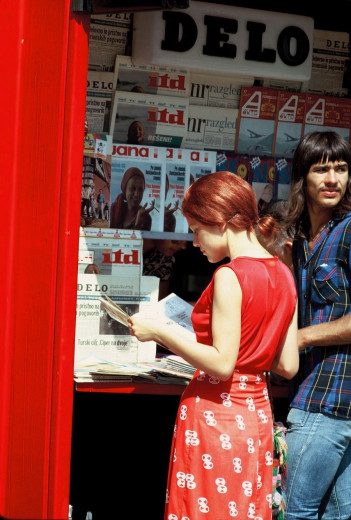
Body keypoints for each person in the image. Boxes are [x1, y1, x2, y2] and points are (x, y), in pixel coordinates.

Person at [128, 170, 299, 520]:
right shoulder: (284, 273)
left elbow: (222, 364)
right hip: (256, 418)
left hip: (216, 417)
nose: (193, 242)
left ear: (219, 220)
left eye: (196, 229)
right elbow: (288, 366)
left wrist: (160, 333)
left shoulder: (229, 275)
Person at [283, 130, 351, 520]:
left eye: (341, 169)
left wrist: (302, 337)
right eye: (322, 169)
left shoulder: (348, 231)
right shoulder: (304, 240)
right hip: (315, 392)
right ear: (302, 177)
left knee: (293, 512)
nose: (333, 180)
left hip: (326, 399)